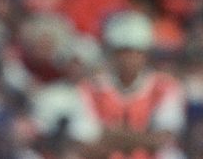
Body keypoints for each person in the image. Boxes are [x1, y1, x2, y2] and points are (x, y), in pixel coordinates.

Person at [74, 11, 187, 158]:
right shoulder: (92, 88)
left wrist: (112, 135)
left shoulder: (163, 87)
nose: (129, 59)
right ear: (111, 53)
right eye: (123, 52)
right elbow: (85, 143)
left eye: (136, 52)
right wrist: (144, 138)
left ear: (146, 54)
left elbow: (163, 139)